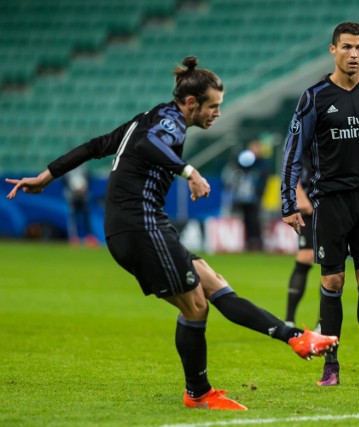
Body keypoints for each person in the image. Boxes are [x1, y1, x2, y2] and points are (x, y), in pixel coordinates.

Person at [6, 56, 338, 411]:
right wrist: (189, 171)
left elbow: (95, 145)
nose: (218, 114)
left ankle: (296, 339)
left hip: (139, 225)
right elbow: (151, 143)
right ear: (191, 103)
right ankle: (198, 393)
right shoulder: (169, 123)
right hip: (139, 225)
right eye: (214, 106)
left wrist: (46, 175)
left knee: (212, 283)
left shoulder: (148, 118)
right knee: (195, 305)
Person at [281, 22, 359, 387]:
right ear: (332, 50)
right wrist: (289, 201)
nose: (354, 54)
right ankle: (331, 367)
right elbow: (294, 152)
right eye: (348, 47)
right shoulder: (314, 97)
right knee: (332, 280)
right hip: (331, 202)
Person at [284, 147, 320, 329]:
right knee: (305, 258)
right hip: (308, 203)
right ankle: (289, 320)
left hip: (333, 203)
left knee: (332, 262)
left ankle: (324, 322)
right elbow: (290, 164)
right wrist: (298, 195)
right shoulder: (304, 128)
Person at [223, 140, 269, 251]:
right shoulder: (246, 161)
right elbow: (237, 167)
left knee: (255, 220)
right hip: (243, 197)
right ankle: (249, 242)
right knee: (246, 220)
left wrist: (259, 194)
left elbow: (263, 179)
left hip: (255, 197)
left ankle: (258, 242)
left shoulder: (262, 164)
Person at [63, 164, 100, 246]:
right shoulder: (68, 169)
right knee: (73, 217)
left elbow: (89, 180)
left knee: (86, 218)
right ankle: (73, 238)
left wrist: (85, 189)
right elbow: (64, 183)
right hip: (72, 197)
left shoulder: (84, 167)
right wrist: (70, 191)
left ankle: (90, 237)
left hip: (84, 197)